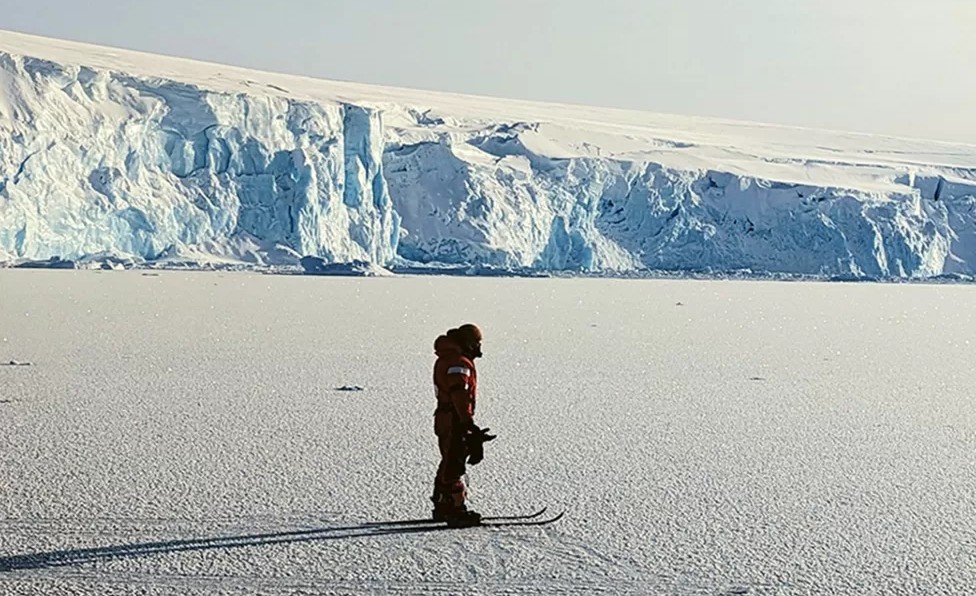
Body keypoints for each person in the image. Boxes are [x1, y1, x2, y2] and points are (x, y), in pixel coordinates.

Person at [430, 323, 494, 526]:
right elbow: (460, 393)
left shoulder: (448, 358)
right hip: (453, 418)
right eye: (476, 343)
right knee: (454, 463)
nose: (479, 348)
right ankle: (454, 508)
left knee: (448, 459)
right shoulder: (459, 362)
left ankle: (442, 504)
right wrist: (468, 422)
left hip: (445, 417)